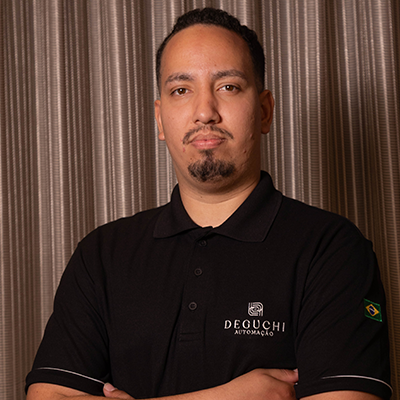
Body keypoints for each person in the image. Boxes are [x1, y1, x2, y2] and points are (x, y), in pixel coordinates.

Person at [26, 7, 391, 400]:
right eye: (181, 90)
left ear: (264, 111)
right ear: (160, 119)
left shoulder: (332, 249)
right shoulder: (101, 254)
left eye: (228, 86)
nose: (204, 112)